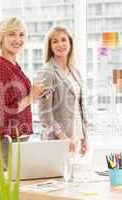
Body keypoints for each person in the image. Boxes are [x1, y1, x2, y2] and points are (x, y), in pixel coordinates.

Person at [0, 17, 45, 168]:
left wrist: (36, 94)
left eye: (21, 34)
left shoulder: (13, 64)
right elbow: (3, 110)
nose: (18, 39)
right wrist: (31, 96)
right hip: (8, 139)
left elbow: (18, 100)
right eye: (11, 34)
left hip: (20, 136)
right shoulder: (0, 65)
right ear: (2, 36)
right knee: (14, 188)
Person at [38, 25, 89, 156]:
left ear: (70, 43)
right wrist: (62, 137)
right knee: (58, 176)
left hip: (76, 136)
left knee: (72, 175)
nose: (60, 44)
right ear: (50, 46)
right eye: (55, 41)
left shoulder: (75, 70)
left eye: (63, 40)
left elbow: (79, 107)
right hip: (58, 140)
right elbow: (44, 114)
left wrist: (84, 137)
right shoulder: (47, 71)